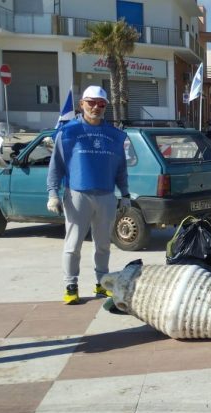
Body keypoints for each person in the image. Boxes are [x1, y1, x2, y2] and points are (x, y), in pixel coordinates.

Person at [46, 86, 131, 305]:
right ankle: (71, 286)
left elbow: (120, 168)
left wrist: (125, 194)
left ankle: (102, 283)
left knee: (103, 245)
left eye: (101, 104)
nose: (96, 107)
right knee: (73, 244)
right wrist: (52, 193)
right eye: (91, 102)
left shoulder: (114, 135)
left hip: (106, 195)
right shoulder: (68, 132)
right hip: (77, 195)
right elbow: (56, 166)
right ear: (82, 104)